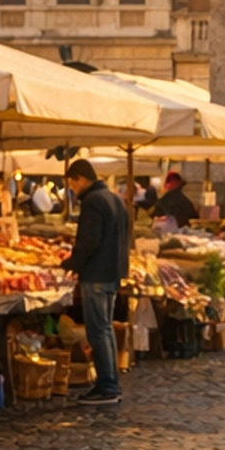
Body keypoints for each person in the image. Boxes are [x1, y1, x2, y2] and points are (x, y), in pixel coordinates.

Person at [65, 157, 130, 406]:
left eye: (71, 184)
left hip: (97, 274)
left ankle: (107, 386)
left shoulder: (93, 201)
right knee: (105, 329)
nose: (72, 190)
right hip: (113, 272)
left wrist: (73, 264)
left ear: (80, 179)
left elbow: (89, 241)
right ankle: (110, 381)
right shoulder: (115, 199)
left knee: (98, 329)